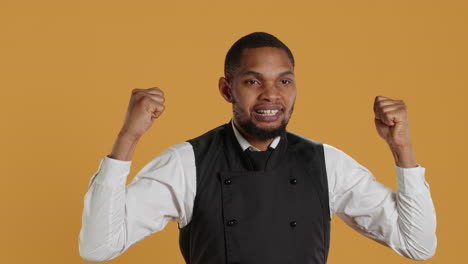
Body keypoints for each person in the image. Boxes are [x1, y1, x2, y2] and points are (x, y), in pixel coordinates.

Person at [78, 32, 437, 263]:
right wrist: (128, 138)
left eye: (284, 81)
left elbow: (417, 245)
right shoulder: (187, 163)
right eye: (253, 81)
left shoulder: (326, 164)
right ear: (226, 89)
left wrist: (401, 149)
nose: (271, 95)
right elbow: (98, 247)